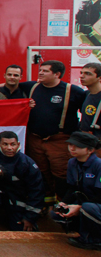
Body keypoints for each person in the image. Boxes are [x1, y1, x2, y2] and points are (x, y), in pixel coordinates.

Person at [18, 60, 87, 205]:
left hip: (59, 140)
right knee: (39, 172)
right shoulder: (32, 87)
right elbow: (8, 85)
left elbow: (89, 110)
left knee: (61, 173)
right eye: (40, 70)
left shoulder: (73, 91)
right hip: (35, 139)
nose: (40, 73)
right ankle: (44, 203)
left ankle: (64, 204)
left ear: (57, 74)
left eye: (45, 71)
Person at [50, 132, 101, 250]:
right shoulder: (72, 163)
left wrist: (79, 207)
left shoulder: (98, 165)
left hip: (94, 205)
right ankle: (82, 230)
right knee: (57, 213)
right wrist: (65, 203)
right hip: (85, 203)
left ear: (90, 150)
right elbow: (72, 187)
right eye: (70, 145)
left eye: (78, 146)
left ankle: (95, 240)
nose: (72, 148)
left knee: (88, 209)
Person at [79, 63, 101, 141]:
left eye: (88, 74)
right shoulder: (86, 94)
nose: (82, 76)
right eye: (81, 73)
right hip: (85, 140)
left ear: (99, 78)